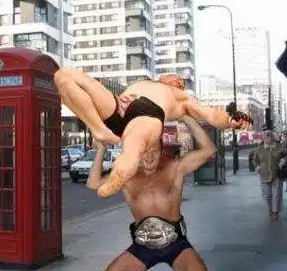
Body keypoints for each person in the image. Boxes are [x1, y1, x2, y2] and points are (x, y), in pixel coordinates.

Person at [84, 116, 217, 271]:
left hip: (176, 245)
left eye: (153, 151)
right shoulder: (126, 177)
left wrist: (186, 116)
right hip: (142, 248)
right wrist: (101, 150)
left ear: (162, 150)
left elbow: (209, 150)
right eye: (143, 151)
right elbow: (94, 184)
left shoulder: (175, 168)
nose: (148, 156)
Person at [53, 69, 252, 197]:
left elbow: (210, 114)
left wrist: (229, 120)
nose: (177, 80)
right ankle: (99, 129)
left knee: (135, 146)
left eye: (180, 82)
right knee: (65, 76)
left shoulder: (182, 98)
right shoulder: (145, 83)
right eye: (174, 77)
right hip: (118, 105)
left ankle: (120, 173)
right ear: (162, 78)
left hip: (147, 112)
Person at [253, 130, 287, 220]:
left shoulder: (279, 146)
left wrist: (283, 160)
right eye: (266, 136)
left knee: (276, 194)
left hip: (276, 174)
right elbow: (255, 160)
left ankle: (275, 212)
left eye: (269, 136)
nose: (268, 138)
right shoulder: (260, 148)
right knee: (267, 195)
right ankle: (270, 209)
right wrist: (258, 168)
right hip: (264, 175)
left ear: (273, 137)